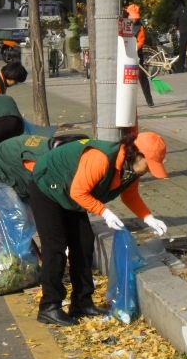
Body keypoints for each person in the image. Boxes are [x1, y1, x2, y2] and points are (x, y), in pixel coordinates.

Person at [28, 131, 170, 326]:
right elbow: (79, 192)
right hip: (48, 186)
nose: (149, 171)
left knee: (84, 242)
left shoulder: (130, 169)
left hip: (70, 193)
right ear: (138, 154)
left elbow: (130, 196)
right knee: (55, 247)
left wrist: (148, 217)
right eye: (150, 165)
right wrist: (105, 212)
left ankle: (82, 302)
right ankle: (49, 306)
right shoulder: (101, 158)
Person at [127, 4, 154, 108]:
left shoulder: (140, 27)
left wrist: (134, 49)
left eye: (136, 17)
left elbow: (141, 41)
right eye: (133, 17)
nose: (134, 19)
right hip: (124, 55)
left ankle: (149, 100)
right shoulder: (123, 25)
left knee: (142, 77)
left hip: (137, 54)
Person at [172, 0, 187, 74]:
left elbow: (175, 22)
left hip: (182, 31)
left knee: (182, 50)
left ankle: (180, 68)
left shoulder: (177, 11)